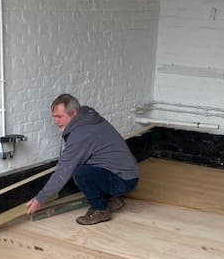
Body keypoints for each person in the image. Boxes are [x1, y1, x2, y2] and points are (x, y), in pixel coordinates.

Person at [26, 95, 139, 225]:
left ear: (73, 113)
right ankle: (111, 200)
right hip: (126, 174)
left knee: (81, 173)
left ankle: (100, 209)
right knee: (84, 167)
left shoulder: (81, 134)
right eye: (54, 117)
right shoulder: (87, 118)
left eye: (59, 117)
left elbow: (63, 171)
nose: (56, 121)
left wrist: (40, 199)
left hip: (123, 180)